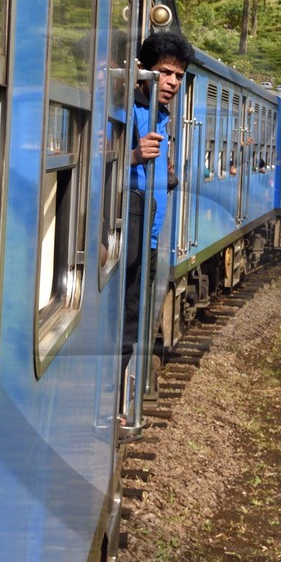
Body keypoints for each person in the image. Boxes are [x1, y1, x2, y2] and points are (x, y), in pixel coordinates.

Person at [122, 30, 194, 373]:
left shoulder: (159, 114)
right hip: (127, 234)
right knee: (124, 327)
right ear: (143, 70)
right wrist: (132, 157)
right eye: (165, 72)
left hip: (146, 238)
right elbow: (95, 162)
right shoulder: (129, 110)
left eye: (178, 76)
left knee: (134, 322)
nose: (172, 82)